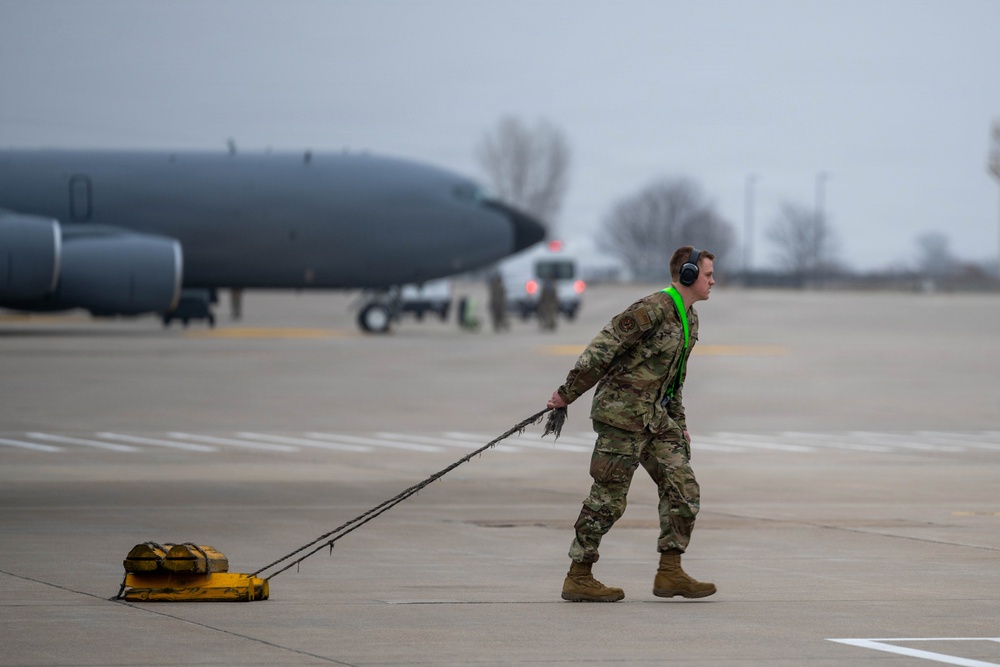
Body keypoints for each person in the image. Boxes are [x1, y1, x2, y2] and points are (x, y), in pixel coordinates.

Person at [546, 246, 717, 602]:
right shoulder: (651, 309)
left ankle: (670, 573)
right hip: (621, 417)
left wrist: (679, 423)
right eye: (707, 274)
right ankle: (579, 575)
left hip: (656, 418)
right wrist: (567, 394)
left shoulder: (690, 318)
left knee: (683, 488)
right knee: (609, 498)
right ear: (687, 276)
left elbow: (674, 379)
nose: (713, 281)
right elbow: (602, 348)